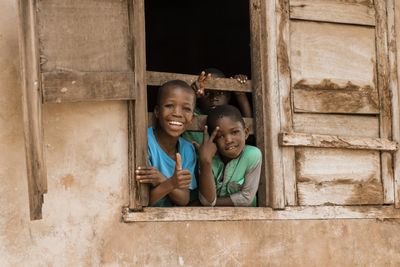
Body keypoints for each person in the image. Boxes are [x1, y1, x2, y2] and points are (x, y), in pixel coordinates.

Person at [135, 80, 197, 206]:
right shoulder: (144, 141)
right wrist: (172, 184)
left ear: (192, 118)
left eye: (186, 109)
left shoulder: (187, 149)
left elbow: (184, 199)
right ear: (157, 111)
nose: (177, 113)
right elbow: (142, 202)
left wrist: (163, 180)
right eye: (169, 106)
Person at [194, 105, 261, 207]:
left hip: (246, 219)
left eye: (235, 132)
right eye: (220, 136)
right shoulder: (206, 158)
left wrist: (213, 203)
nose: (229, 140)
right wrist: (206, 162)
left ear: (246, 132)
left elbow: (246, 198)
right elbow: (207, 201)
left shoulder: (252, 155)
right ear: (213, 140)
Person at [183, 68, 252, 145]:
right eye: (207, 93)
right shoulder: (193, 113)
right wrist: (192, 95)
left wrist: (240, 94)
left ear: (228, 97)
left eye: (220, 93)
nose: (214, 98)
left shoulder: (229, 116)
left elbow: (248, 133)